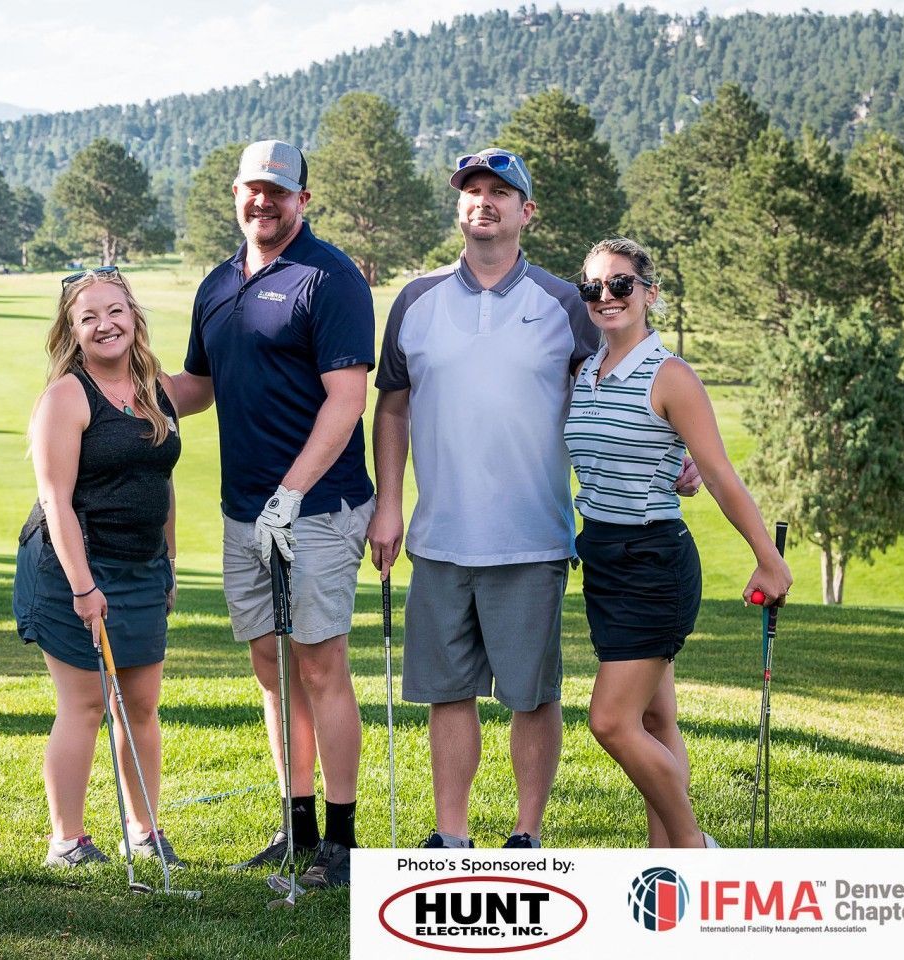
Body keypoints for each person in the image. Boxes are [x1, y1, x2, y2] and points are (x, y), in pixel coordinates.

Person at [369, 148, 599, 851]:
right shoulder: (415, 299)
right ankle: (450, 834)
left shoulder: (565, 304)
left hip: (532, 537)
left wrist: (673, 452)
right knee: (448, 691)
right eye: (472, 191)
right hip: (439, 538)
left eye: (501, 192)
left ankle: (526, 833)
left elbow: (615, 389)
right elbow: (392, 410)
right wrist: (388, 505)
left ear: (526, 211)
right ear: (458, 208)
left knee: (531, 694)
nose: (484, 202)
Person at [167, 140, 374, 888]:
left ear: (302, 202)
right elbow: (195, 387)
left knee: (319, 665)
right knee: (269, 667)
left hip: (315, 507)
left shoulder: (331, 277)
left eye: (279, 192)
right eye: (254, 190)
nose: (265, 202)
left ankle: (343, 845)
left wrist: (289, 494)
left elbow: (346, 399)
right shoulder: (218, 283)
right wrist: (116, 388)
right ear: (235, 194)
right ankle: (296, 828)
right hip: (240, 512)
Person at [567, 236, 792, 847]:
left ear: (648, 293)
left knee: (611, 723)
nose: (606, 297)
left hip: (652, 564)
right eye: (593, 287)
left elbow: (717, 472)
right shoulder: (586, 369)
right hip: (604, 560)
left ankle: (693, 848)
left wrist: (768, 561)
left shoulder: (670, 376)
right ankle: (661, 864)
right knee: (654, 718)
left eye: (620, 284)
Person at [13, 266, 182, 869]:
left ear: (134, 317)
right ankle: (68, 840)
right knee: (84, 704)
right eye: (89, 317)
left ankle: (144, 830)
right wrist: (84, 588)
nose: (105, 324)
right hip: (71, 569)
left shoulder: (155, 389)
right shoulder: (65, 397)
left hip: (141, 568)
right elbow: (55, 499)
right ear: (73, 333)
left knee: (140, 705)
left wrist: (169, 562)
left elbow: (158, 481)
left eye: (116, 311)